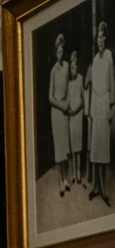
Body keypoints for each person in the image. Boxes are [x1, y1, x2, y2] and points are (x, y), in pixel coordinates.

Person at [90, 22, 114, 205]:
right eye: (98, 36)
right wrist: (91, 110)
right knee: (96, 148)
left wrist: (112, 105)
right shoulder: (94, 60)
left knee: (104, 150)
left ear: (106, 38)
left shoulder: (108, 56)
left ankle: (104, 190)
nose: (100, 39)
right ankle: (96, 187)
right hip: (95, 105)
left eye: (102, 36)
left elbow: (112, 81)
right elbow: (91, 87)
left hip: (105, 102)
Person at [51, 33, 72, 196]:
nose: (60, 54)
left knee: (65, 147)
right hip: (57, 111)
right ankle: (59, 181)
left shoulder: (66, 66)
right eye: (58, 51)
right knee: (58, 147)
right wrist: (62, 105)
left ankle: (66, 179)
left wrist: (69, 104)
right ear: (55, 52)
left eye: (62, 51)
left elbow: (69, 86)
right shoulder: (53, 70)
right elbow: (49, 97)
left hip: (65, 109)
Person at [69, 51, 86, 188]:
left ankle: (79, 173)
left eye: (75, 67)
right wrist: (69, 111)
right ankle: (73, 173)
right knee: (73, 146)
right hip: (71, 116)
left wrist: (77, 109)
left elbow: (83, 98)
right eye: (71, 67)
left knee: (78, 146)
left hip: (78, 115)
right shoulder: (68, 82)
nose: (73, 69)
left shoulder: (80, 78)